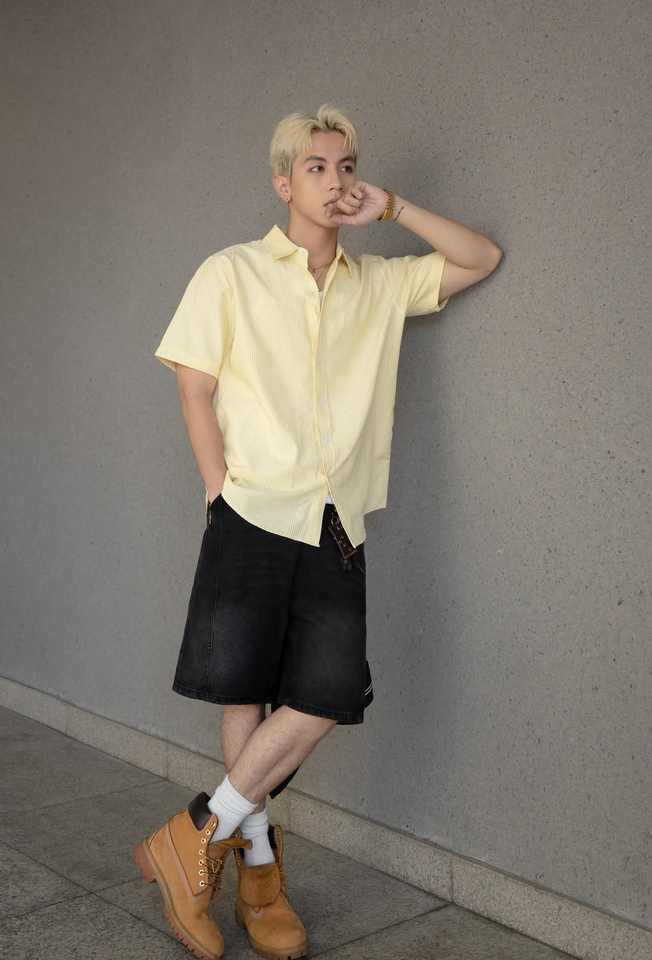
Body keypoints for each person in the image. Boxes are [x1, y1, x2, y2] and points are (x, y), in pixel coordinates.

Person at [134, 102, 502, 960]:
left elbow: (479, 258)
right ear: (282, 182)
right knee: (246, 693)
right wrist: (220, 493)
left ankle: (194, 837)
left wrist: (396, 208)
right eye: (316, 167)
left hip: (337, 521)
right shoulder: (230, 272)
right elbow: (194, 386)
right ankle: (260, 879)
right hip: (251, 510)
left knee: (327, 694)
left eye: (347, 167)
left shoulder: (380, 283)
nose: (336, 181)